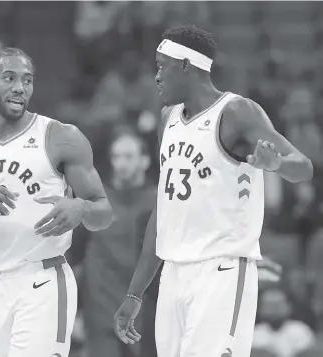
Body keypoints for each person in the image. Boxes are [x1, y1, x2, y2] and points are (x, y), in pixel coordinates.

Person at [113, 24, 314, 357]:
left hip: (221, 272)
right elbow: (164, 212)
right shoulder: (168, 118)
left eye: (162, 66)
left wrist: (275, 164)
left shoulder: (236, 111)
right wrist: (135, 294)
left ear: (186, 66)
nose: (157, 76)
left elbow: (303, 166)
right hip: (173, 273)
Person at [0, 47, 113, 357]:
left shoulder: (61, 137)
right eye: (9, 78)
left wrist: (81, 207)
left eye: (27, 80)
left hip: (43, 282)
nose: (20, 87)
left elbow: (104, 212)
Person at [83, 128, 156, 357]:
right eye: (116, 156)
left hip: (144, 312)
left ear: (144, 161)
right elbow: (74, 258)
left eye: (128, 156)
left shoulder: (158, 201)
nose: (120, 163)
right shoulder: (96, 201)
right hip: (101, 311)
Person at [252, 285, 315, 357]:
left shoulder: (301, 331)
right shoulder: (254, 335)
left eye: (277, 305)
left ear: (289, 307)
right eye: (269, 305)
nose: (273, 310)